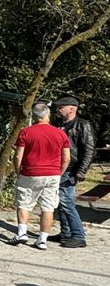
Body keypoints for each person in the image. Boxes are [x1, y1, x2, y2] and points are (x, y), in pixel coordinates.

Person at [7, 102, 70, 250]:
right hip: (52, 174)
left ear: (34, 116)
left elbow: (17, 157)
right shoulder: (61, 133)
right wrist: (59, 172)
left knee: (24, 203)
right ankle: (42, 240)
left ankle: (22, 233)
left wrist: (18, 171)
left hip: (30, 172)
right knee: (48, 207)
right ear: (47, 115)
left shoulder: (25, 132)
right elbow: (66, 158)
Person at [50, 95, 95, 248]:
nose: (58, 110)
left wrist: (81, 171)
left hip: (71, 169)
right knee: (60, 202)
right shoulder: (58, 124)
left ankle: (78, 235)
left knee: (67, 202)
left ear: (72, 108)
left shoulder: (82, 125)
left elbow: (88, 149)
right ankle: (66, 233)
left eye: (61, 107)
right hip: (57, 167)